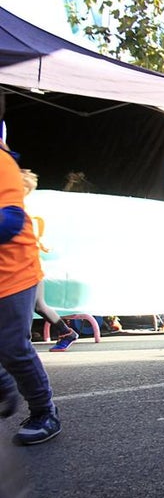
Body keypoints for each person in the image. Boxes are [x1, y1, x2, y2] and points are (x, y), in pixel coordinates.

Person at [0, 101, 61, 445]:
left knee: (12, 346)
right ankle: (3, 383)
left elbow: (9, 222)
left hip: (13, 271)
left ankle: (44, 412)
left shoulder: (2, 162)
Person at [21, 170, 80, 352]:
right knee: (38, 306)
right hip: (25, 267)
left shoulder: (20, 213)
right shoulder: (19, 212)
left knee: (32, 306)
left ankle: (23, 345)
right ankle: (66, 333)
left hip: (27, 269)